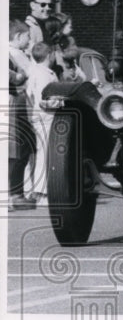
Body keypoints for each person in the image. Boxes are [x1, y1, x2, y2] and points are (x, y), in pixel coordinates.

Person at [24, 42, 58, 206]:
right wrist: (62, 103)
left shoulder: (34, 71)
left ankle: (34, 189)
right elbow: (45, 101)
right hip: (46, 116)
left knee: (40, 152)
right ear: (50, 55)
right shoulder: (45, 74)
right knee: (45, 153)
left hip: (37, 117)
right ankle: (42, 193)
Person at [9, 20, 35, 210]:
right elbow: (27, 75)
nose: (30, 40)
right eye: (27, 36)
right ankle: (16, 194)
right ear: (18, 37)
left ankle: (16, 193)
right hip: (18, 106)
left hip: (14, 105)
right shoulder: (16, 54)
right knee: (20, 150)